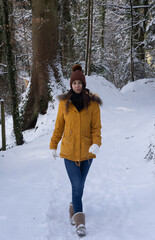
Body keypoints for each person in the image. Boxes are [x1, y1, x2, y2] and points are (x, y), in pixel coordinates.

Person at [50, 64, 102, 236]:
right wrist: (53, 144)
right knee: (77, 185)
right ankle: (80, 222)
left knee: (80, 187)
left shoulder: (93, 104)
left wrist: (97, 143)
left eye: (80, 83)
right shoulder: (64, 103)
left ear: (84, 84)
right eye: (74, 83)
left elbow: (96, 128)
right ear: (71, 85)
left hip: (88, 153)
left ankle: (73, 206)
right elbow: (59, 126)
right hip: (70, 152)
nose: (77, 85)